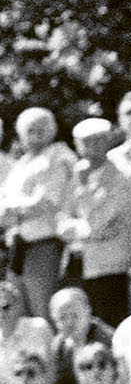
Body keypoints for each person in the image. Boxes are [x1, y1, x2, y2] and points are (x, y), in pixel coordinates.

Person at [60, 117, 131, 325]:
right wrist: (85, 231)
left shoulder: (119, 178)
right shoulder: (76, 175)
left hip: (114, 265)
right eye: (85, 142)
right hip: (83, 266)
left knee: (111, 323)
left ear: (107, 142)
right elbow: (61, 221)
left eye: (97, 141)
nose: (90, 147)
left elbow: (98, 221)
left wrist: (83, 190)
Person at [2, 107, 77, 319]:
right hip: (18, 247)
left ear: (52, 130)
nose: (35, 136)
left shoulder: (58, 156)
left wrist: (12, 210)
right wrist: (13, 209)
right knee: (18, 313)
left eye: (40, 129)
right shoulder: (21, 164)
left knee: (44, 311)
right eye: (29, 130)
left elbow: (44, 203)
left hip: (45, 245)